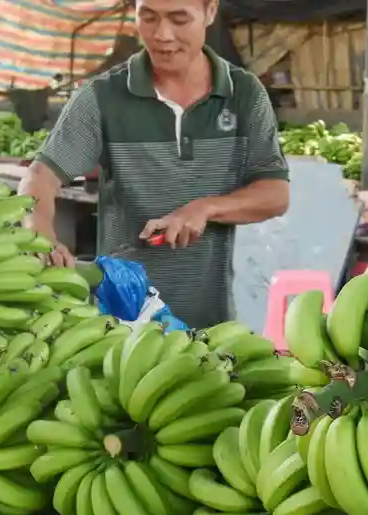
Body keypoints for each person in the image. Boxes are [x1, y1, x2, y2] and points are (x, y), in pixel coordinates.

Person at [19, 0, 291, 329]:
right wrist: (40, 232)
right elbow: (40, 176)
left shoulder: (243, 93)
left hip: (211, 324)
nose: (162, 34)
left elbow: (275, 194)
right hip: (122, 321)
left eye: (179, 19)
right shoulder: (103, 96)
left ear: (210, 11)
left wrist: (205, 209)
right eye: (148, 17)